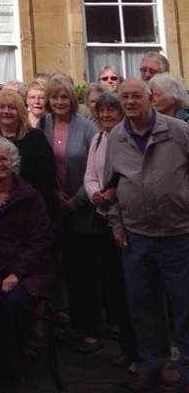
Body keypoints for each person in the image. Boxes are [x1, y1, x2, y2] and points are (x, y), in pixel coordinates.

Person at [103, 78, 189, 393]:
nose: (129, 102)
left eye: (136, 96)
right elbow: (110, 187)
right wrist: (117, 226)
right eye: (124, 97)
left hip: (178, 235)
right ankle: (151, 366)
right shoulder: (116, 137)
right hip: (136, 237)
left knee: (185, 307)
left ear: (149, 97)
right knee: (143, 309)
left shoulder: (177, 131)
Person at [0, 137, 55, 390]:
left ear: (13, 162)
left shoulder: (30, 196)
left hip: (26, 269)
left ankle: (14, 370)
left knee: (16, 302)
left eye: (3, 158)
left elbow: (41, 239)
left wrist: (17, 272)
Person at [40, 79, 101, 353]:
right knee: (57, 271)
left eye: (64, 97)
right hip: (53, 207)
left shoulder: (87, 127)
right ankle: (62, 324)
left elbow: (95, 168)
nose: (60, 102)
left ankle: (89, 329)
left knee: (84, 271)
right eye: (55, 98)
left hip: (83, 208)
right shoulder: (43, 125)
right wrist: (54, 195)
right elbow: (40, 163)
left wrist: (75, 200)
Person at [83, 92, 137, 369]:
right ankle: (128, 349)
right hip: (102, 218)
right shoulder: (98, 138)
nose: (105, 117)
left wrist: (110, 192)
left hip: (126, 220)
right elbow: (90, 174)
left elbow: (127, 174)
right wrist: (96, 194)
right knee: (113, 286)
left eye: (111, 112)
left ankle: (139, 352)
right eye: (101, 112)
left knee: (133, 289)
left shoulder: (126, 138)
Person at [0, 87, 55, 217]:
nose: (6, 111)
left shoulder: (35, 138)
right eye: (1, 107)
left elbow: (47, 177)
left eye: (12, 108)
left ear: (20, 111)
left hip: (30, 209)